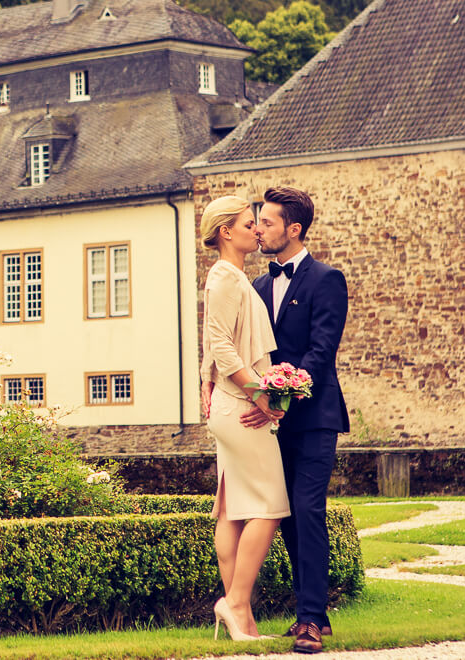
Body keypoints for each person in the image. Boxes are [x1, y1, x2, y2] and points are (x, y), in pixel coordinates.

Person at [243, 186, 349, 655]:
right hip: (269, 422)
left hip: (314, 417)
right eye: (257, 222)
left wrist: (283, 399)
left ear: (294, 229)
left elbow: (321, 352)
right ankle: (313, 614)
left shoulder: (327, 279)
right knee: (284, 518)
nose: (258, 229)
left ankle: (309, 621)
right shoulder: (258, 287)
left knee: (308, 509)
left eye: (266, 222)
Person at [197, 195, 288, 642]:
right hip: (241, 407)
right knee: (270, 506)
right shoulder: (225, 278)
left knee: (232, 512)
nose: (258, 229)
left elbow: (211, 344)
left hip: (228, 403)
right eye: (249, 223)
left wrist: (205, 382)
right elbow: (223, 347)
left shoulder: (230, 277)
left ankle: (243, 620)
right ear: (225, 232)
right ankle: (233, 603)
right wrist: (262, 394)